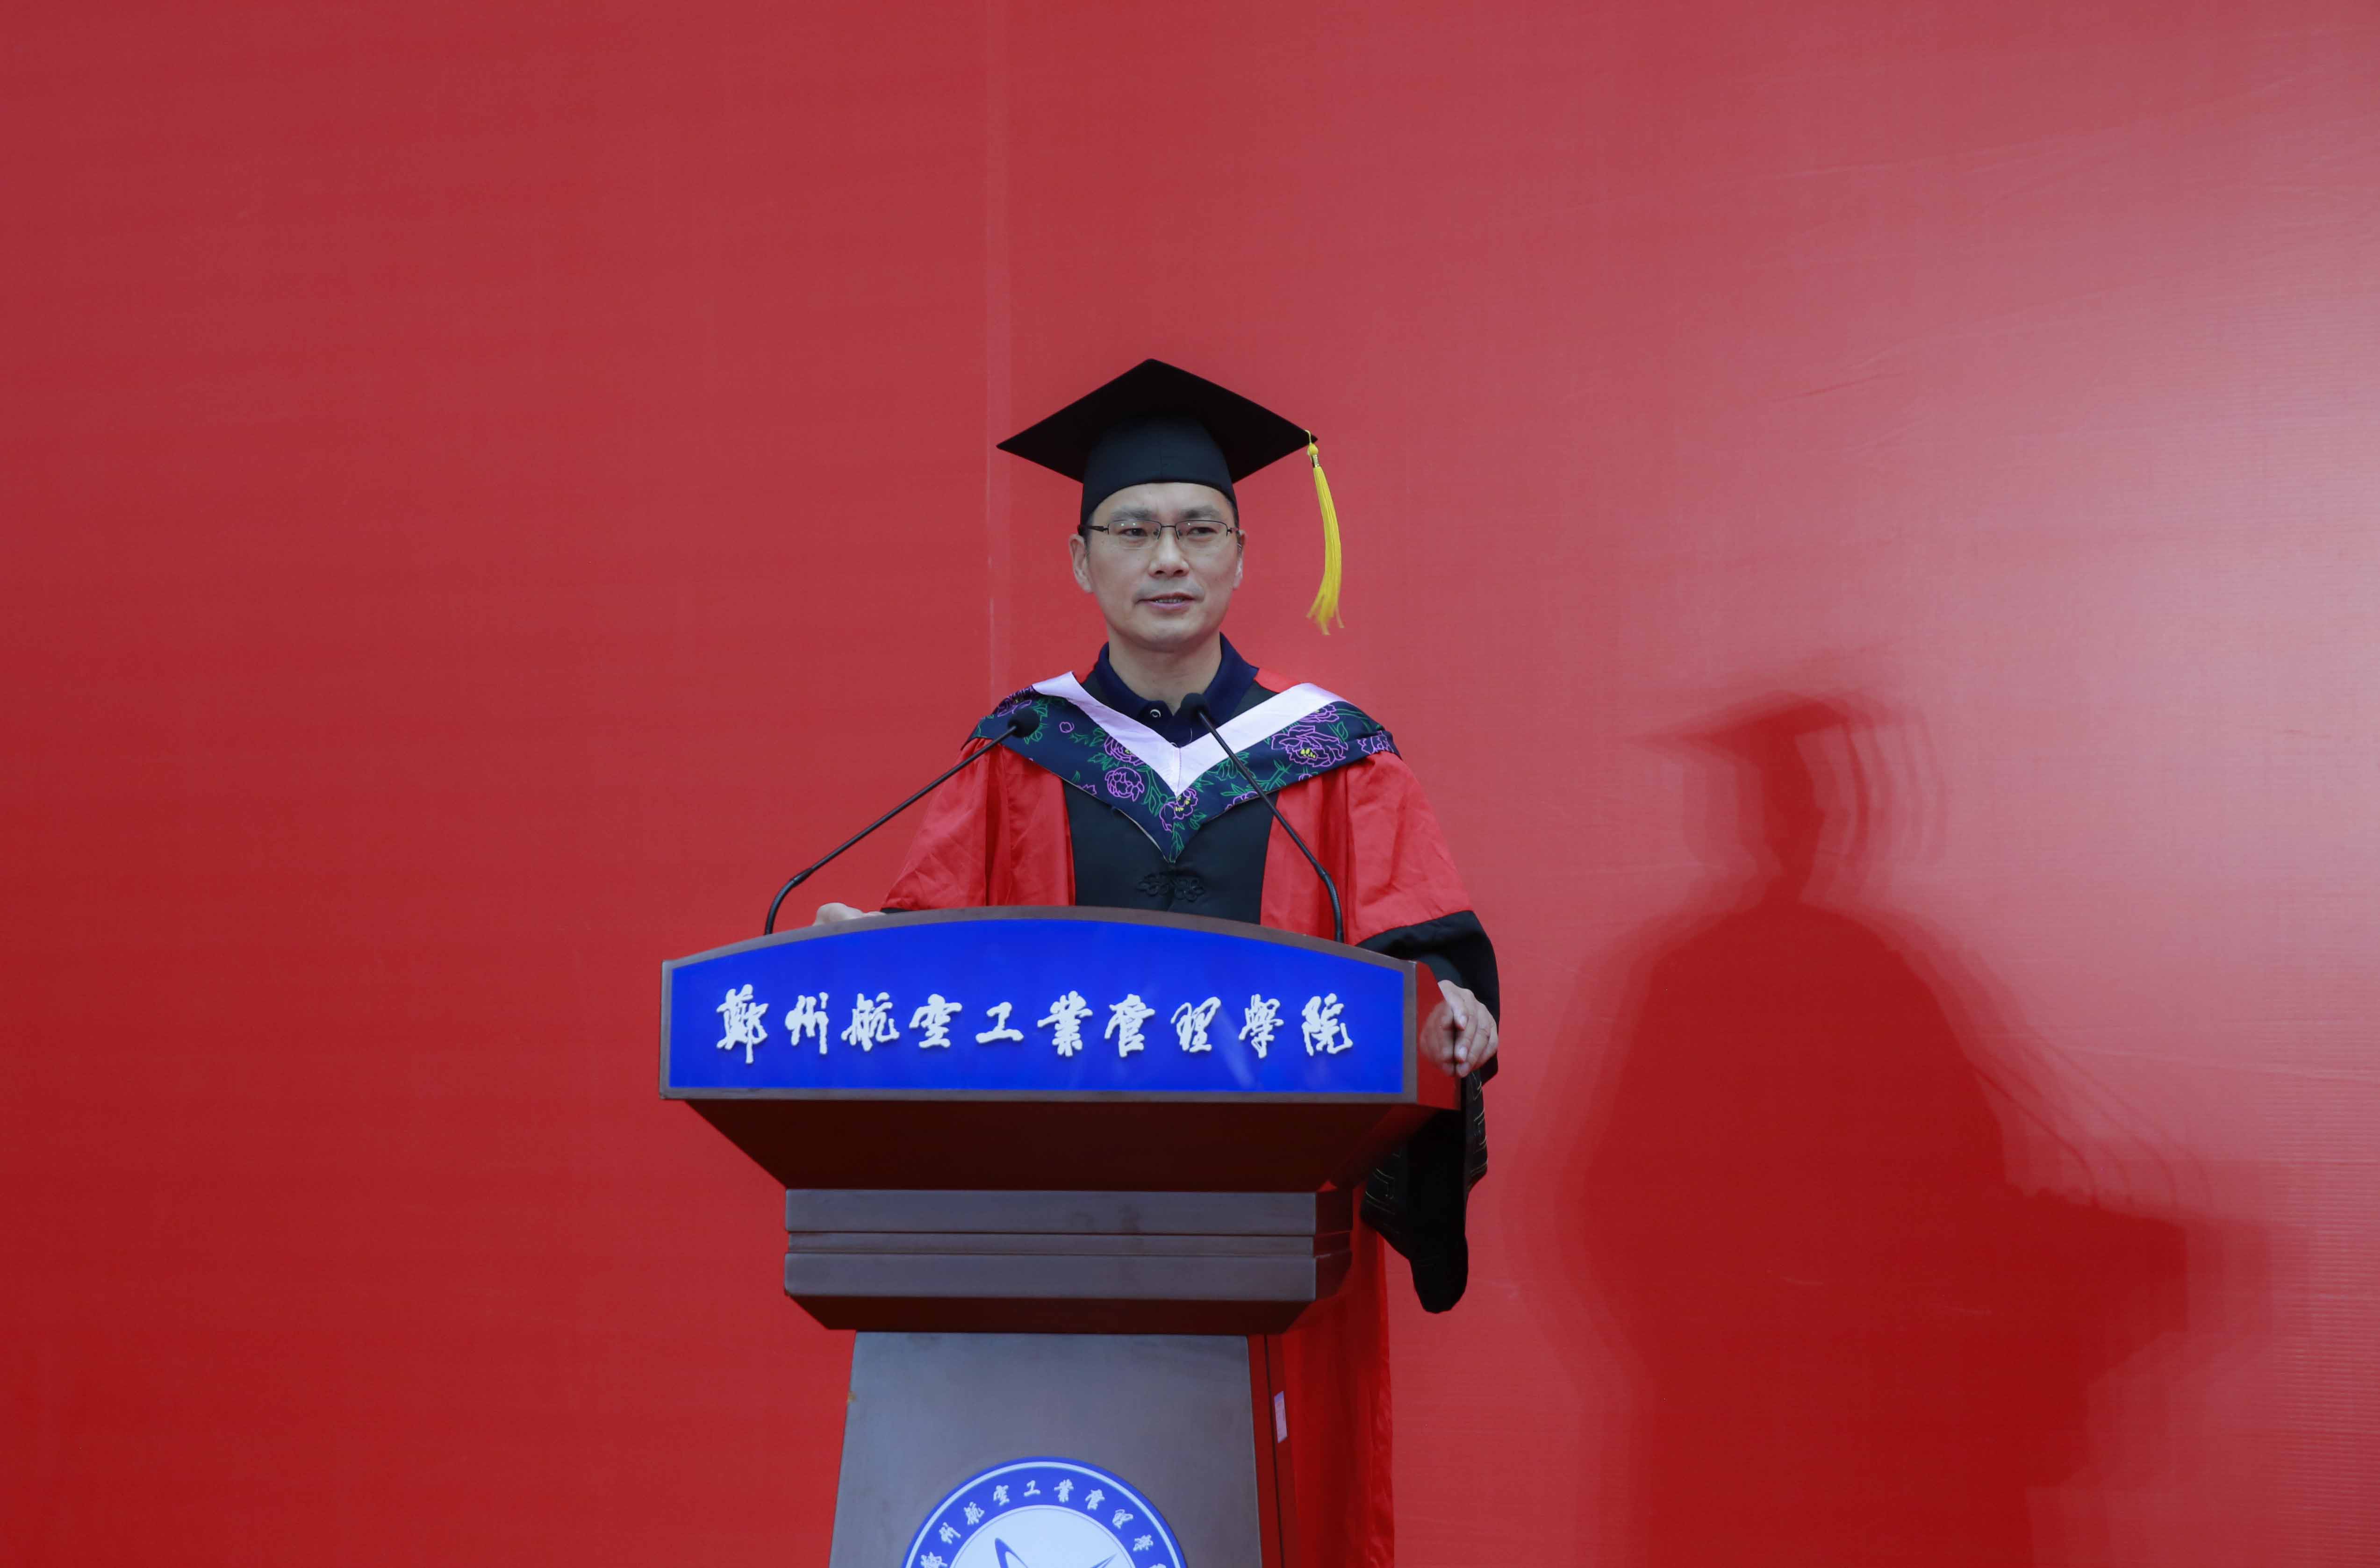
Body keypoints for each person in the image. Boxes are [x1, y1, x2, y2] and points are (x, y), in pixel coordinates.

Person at [813, 359, 1499, 1566]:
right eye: (1133, 531)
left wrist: (1452, 1013)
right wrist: (866, 953)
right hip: (1049, 1228)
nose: (1167, 558)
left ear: (1239, 556)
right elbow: (930, 948)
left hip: (1277, 1224)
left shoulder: (1333, 755)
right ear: (1083, 562)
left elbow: (1423, 950)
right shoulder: (1019, 751)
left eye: (1197, 529)